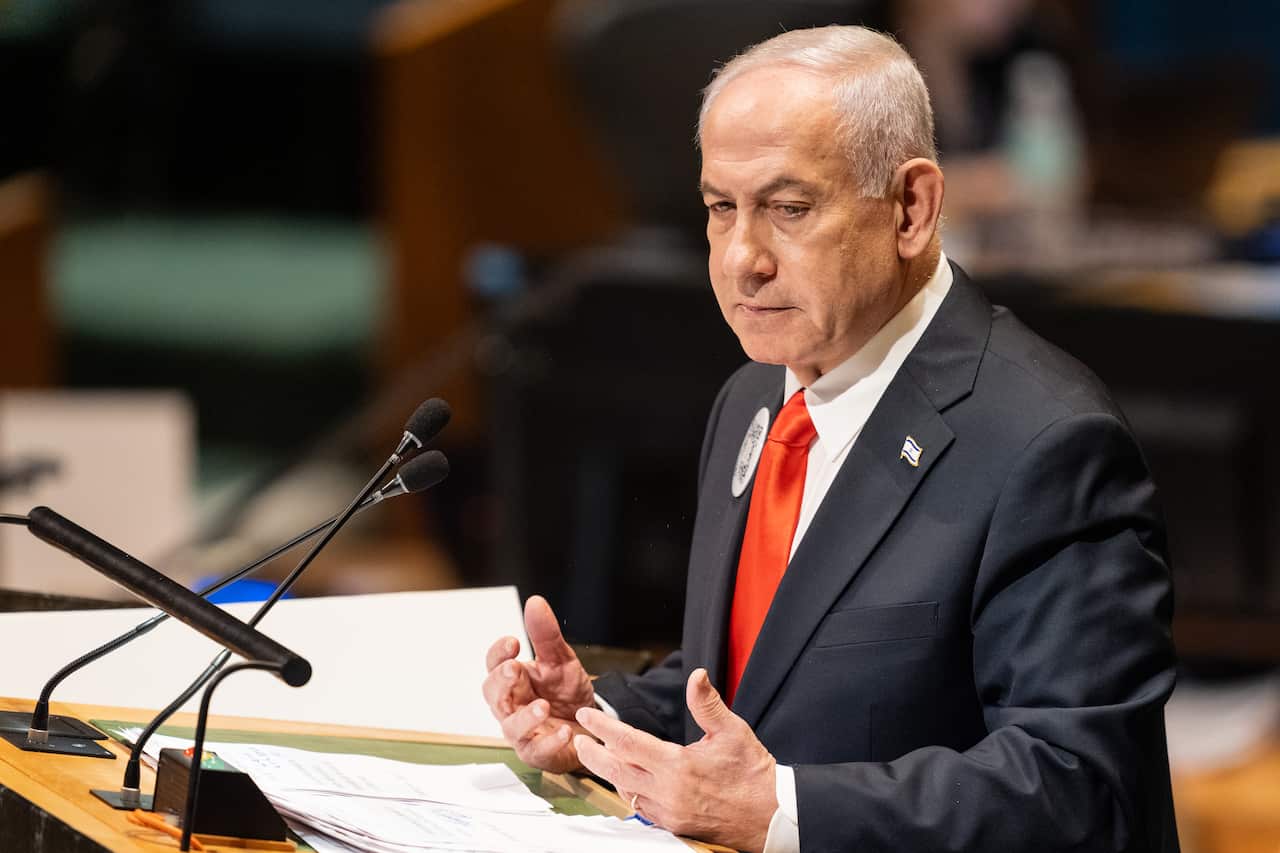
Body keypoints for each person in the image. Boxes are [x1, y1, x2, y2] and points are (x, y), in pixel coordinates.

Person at [481, 25, 1177, 853]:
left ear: (911, 208)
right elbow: (765, 685)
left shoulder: (1048, 444)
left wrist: (776, 809)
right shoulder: (752, 397)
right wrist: (600, 719)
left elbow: (1078, 787)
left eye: (788, 209)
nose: (742, 259)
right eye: (721, 208)